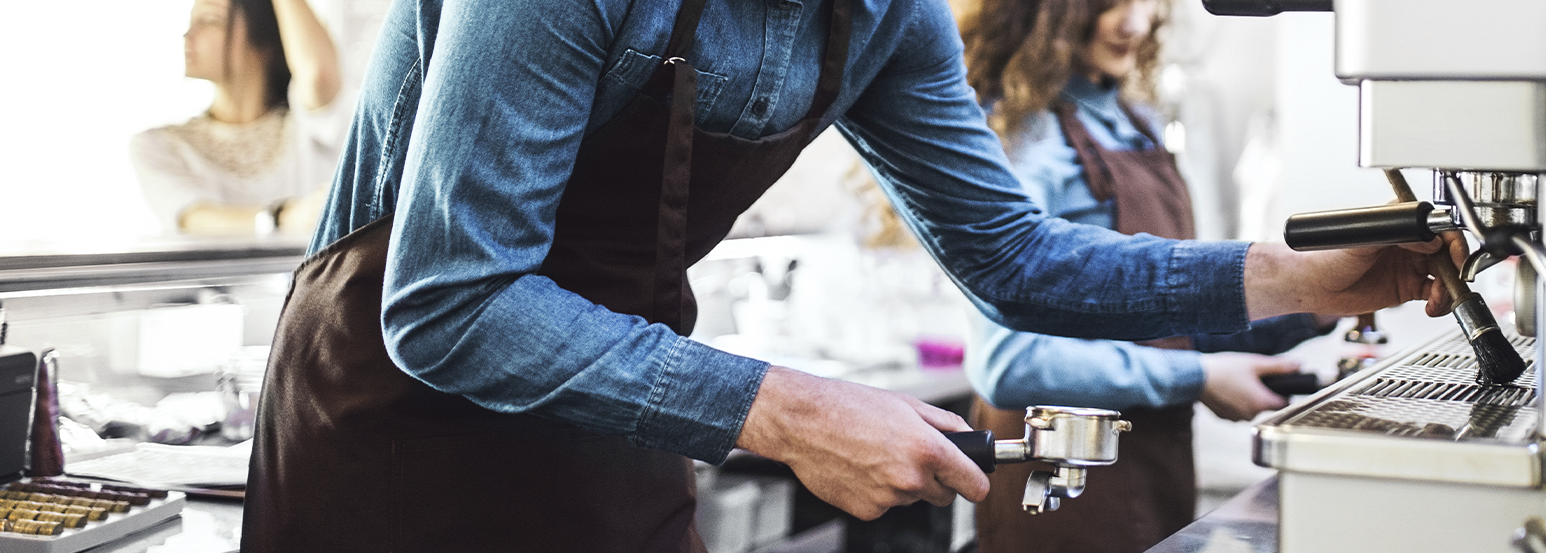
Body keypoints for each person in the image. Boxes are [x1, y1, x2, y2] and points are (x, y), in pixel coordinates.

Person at [242, 0, 1461, 550]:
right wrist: (793, 412)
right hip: (391, 424)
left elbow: (1015, 258)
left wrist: (1307, 277)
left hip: (611, 418)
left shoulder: (888, 17)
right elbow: (453, 300)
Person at [957, 0, 1327, 551]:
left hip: (1152, 456)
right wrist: (1198, 377)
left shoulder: (1136, 122)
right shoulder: (1025, 138)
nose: (1134, 22)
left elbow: (1159, 315)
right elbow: (1007, 360)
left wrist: (1316, 298)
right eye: (1107, 3)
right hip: (1061, 475)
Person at [131, 0, 342, 235]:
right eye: (191, 23)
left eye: (210, 21)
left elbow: (318, 73)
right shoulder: (160, 146)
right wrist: (282, 216)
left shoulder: (310, 127)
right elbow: (194, 219)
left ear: (262, 37)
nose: (189, 35)